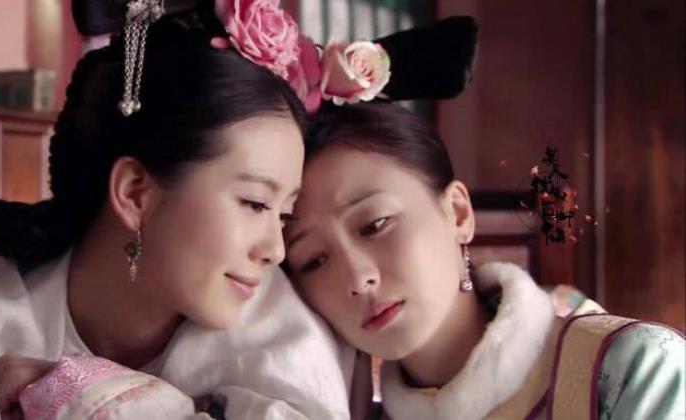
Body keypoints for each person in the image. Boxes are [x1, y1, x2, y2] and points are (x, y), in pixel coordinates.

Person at [0, 3, 353, 419]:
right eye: (254, 203)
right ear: (136, 193)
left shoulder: (282, 341)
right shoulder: (0, 306)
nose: (275, 250)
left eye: (284, 215)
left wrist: (79, 387)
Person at [284, 102, 686, 420]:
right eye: (314, 261)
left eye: (375, 224)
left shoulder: (632, 369)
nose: (358, 278)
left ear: (457, 213)